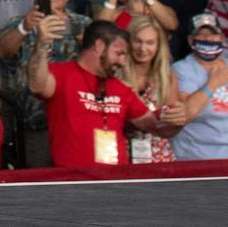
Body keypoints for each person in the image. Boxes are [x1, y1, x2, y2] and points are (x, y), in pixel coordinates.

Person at [26, 19, 166, 167]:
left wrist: (173, 118)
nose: (122, 62)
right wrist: (41, 46)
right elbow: (37, 86)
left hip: (116, 177)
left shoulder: (119, 87)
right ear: (99, 46)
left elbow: (152, 125)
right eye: (119, 53)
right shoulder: (62, 74)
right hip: (73, 176)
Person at [171, 13, 228, 161]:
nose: (208, 39)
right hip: (198, 158)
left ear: (221, 38)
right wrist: (214, 83)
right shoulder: (181, 69)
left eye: (213, 34)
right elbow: (184, 115)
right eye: (201, 35)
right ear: (191, 40)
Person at [119, 15, 178, 164]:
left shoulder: (166, 77)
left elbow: (171, 123)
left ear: (159, 45)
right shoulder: (115, 73)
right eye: (137, 41)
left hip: (157, 155)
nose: (143, 48)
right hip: (119, 151)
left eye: (150, 42)